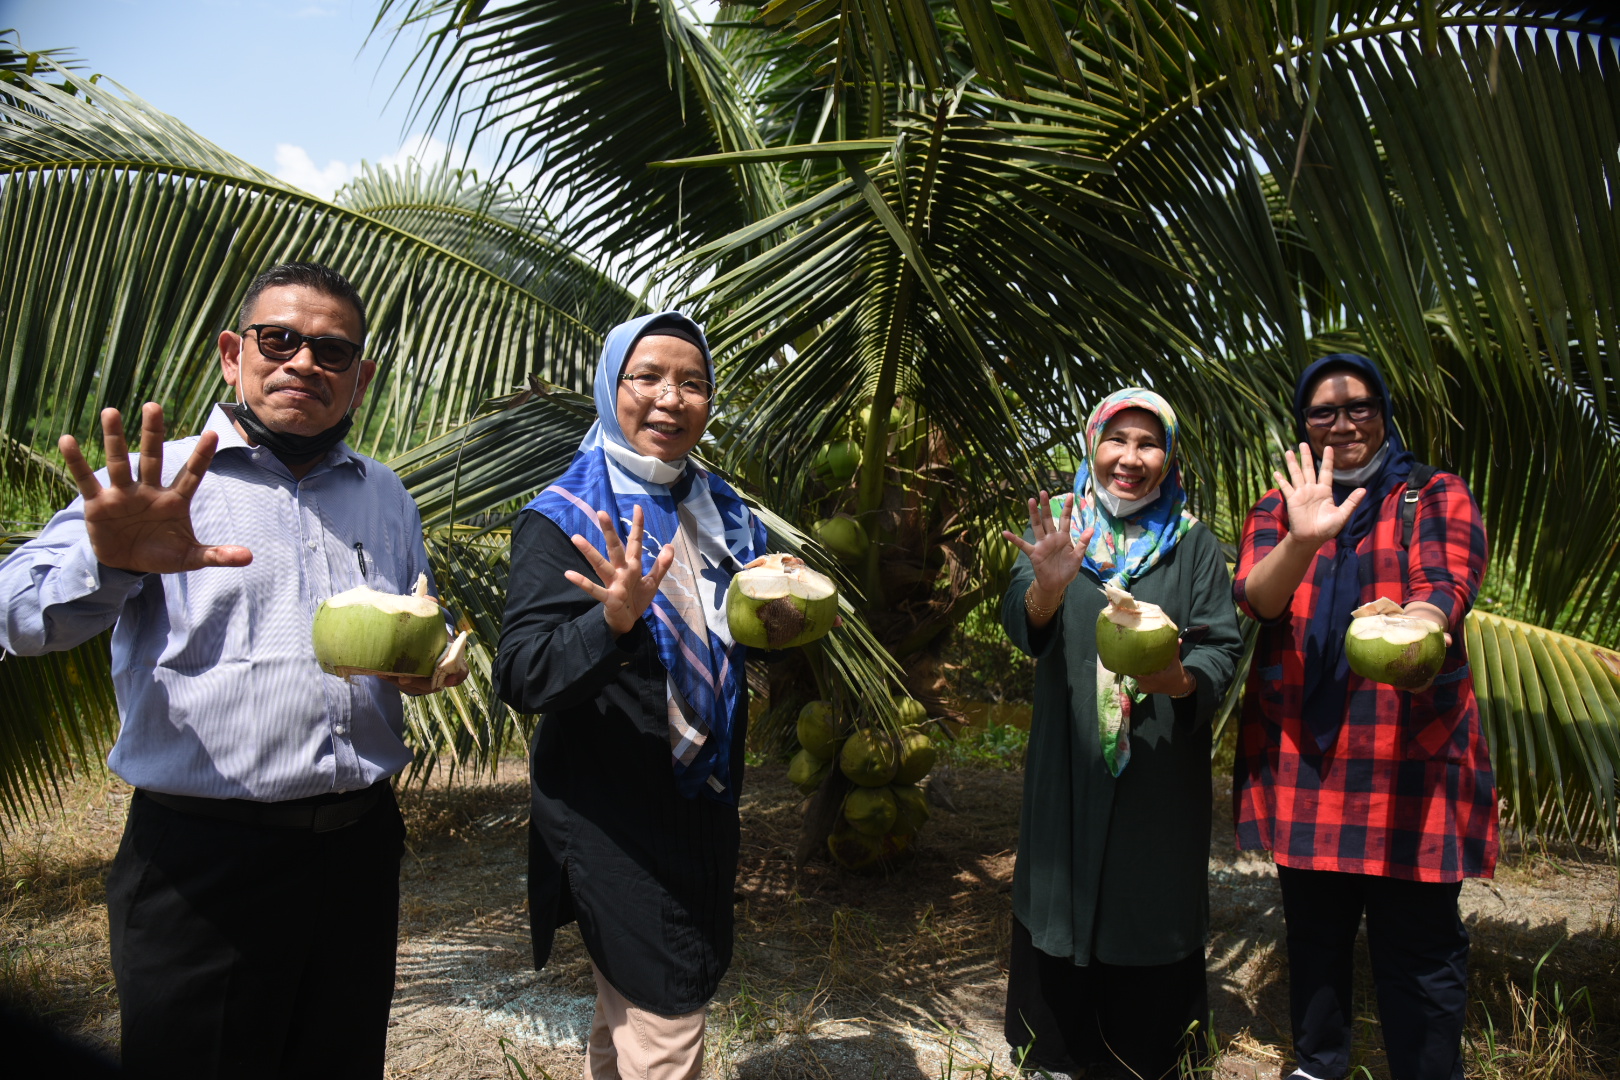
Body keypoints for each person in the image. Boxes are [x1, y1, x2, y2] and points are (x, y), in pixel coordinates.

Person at [0, 262, 466, 1078]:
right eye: (278, 340)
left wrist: (427, 662)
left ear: (360, 377)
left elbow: (415, 612)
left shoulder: (385, 494)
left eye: (331, 350)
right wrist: (112, 565)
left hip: (357, 850)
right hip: (204, 862)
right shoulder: (159, 484)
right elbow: (14, 616)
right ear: (231, 353)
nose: (302, 364)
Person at [494, 311, 766, 1080]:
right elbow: (521, 673)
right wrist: (612, 622)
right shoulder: (564, 517)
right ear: (610, 387)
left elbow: (733, 633)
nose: (670, 399)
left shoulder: (725, 514)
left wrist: (777, 620)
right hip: (611, 812)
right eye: (646, 377)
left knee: (633, 1015)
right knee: (667, 1014)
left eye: (692, 382)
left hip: (701, 802)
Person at [1232, 354, 1497, 1080]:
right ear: (1304, 424)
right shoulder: (1278, 503)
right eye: (1324, 411)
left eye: (1359, 406)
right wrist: (1305, 538)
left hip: (1404, 755)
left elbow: (1446, 579)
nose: (1344, 422)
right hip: (1305, 754)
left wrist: (1423, 616)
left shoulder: (1429, 492)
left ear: (1383, 411)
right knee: (1315, 933)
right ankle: (1319, 1065)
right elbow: (1258, 598)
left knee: (1418, 944)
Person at [999, 388, 1244, 1079]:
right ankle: (1053, 1051)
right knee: (1059, 888)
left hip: (1159, 768)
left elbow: (1221, 648)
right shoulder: (1062, 524)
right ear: (1092, 443)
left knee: (1149, 893)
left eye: (1148, 443)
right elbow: (1022, 618)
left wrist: (1179, 680)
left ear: (1167, 457)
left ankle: (1142, 1057)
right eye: (1118, 440)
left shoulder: (1195, 543)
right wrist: (1048, 587)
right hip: (1068, 756)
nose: (1130, 459)